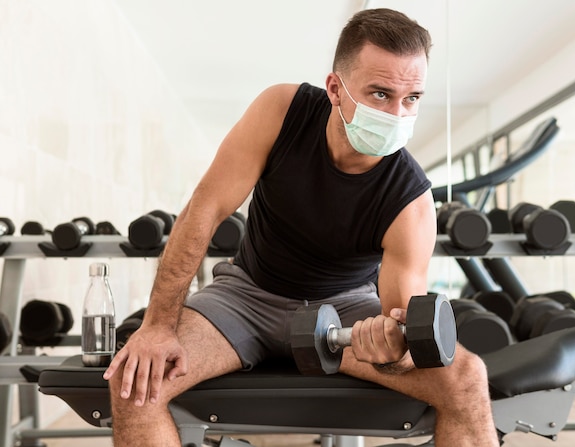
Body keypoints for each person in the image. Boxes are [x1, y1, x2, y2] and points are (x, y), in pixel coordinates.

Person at [104, 8, 499, 447]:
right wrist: (158, 324)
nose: (397, 114)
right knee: (137, 383)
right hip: (243, 297)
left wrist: (389, 352)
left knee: (466, 378)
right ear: (335, 88)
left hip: (346, 310)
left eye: (412, 99)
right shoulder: (282, 111)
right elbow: (205, 209)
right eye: (380, 94)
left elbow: (401, 324)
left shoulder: (410, 202)